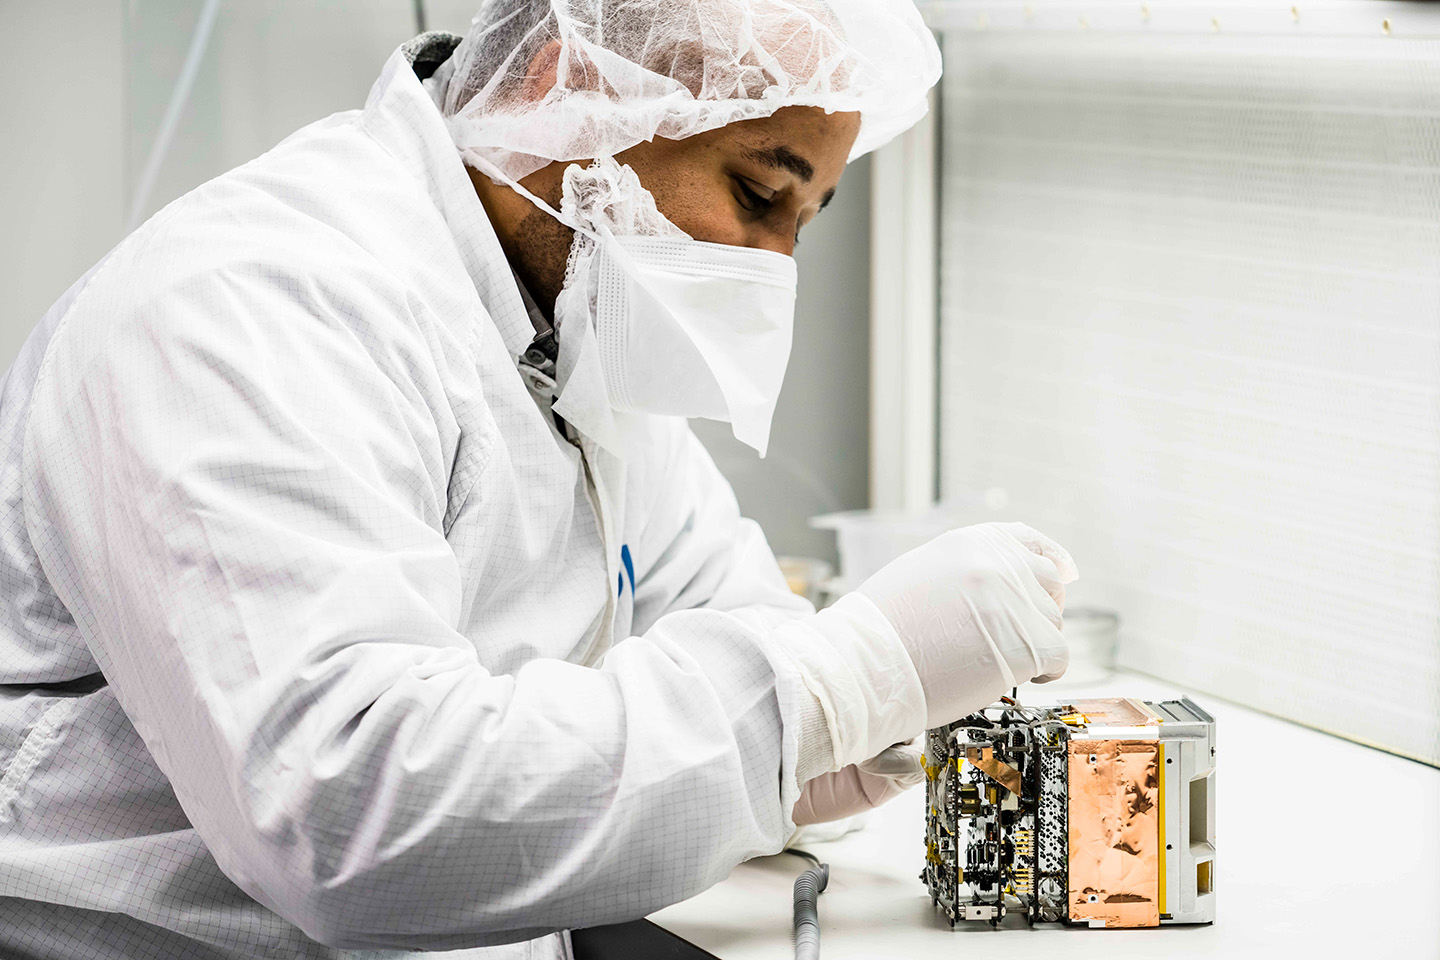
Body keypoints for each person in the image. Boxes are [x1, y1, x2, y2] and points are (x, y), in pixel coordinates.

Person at [0, 2, 1077, 957]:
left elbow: (712, 603)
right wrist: (821, 693)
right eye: (758, 192)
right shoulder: (250, 307)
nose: (770, 269)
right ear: (564, 88)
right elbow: (355, 816)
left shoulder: (567, 315)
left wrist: (815, 737)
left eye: (803, 220)